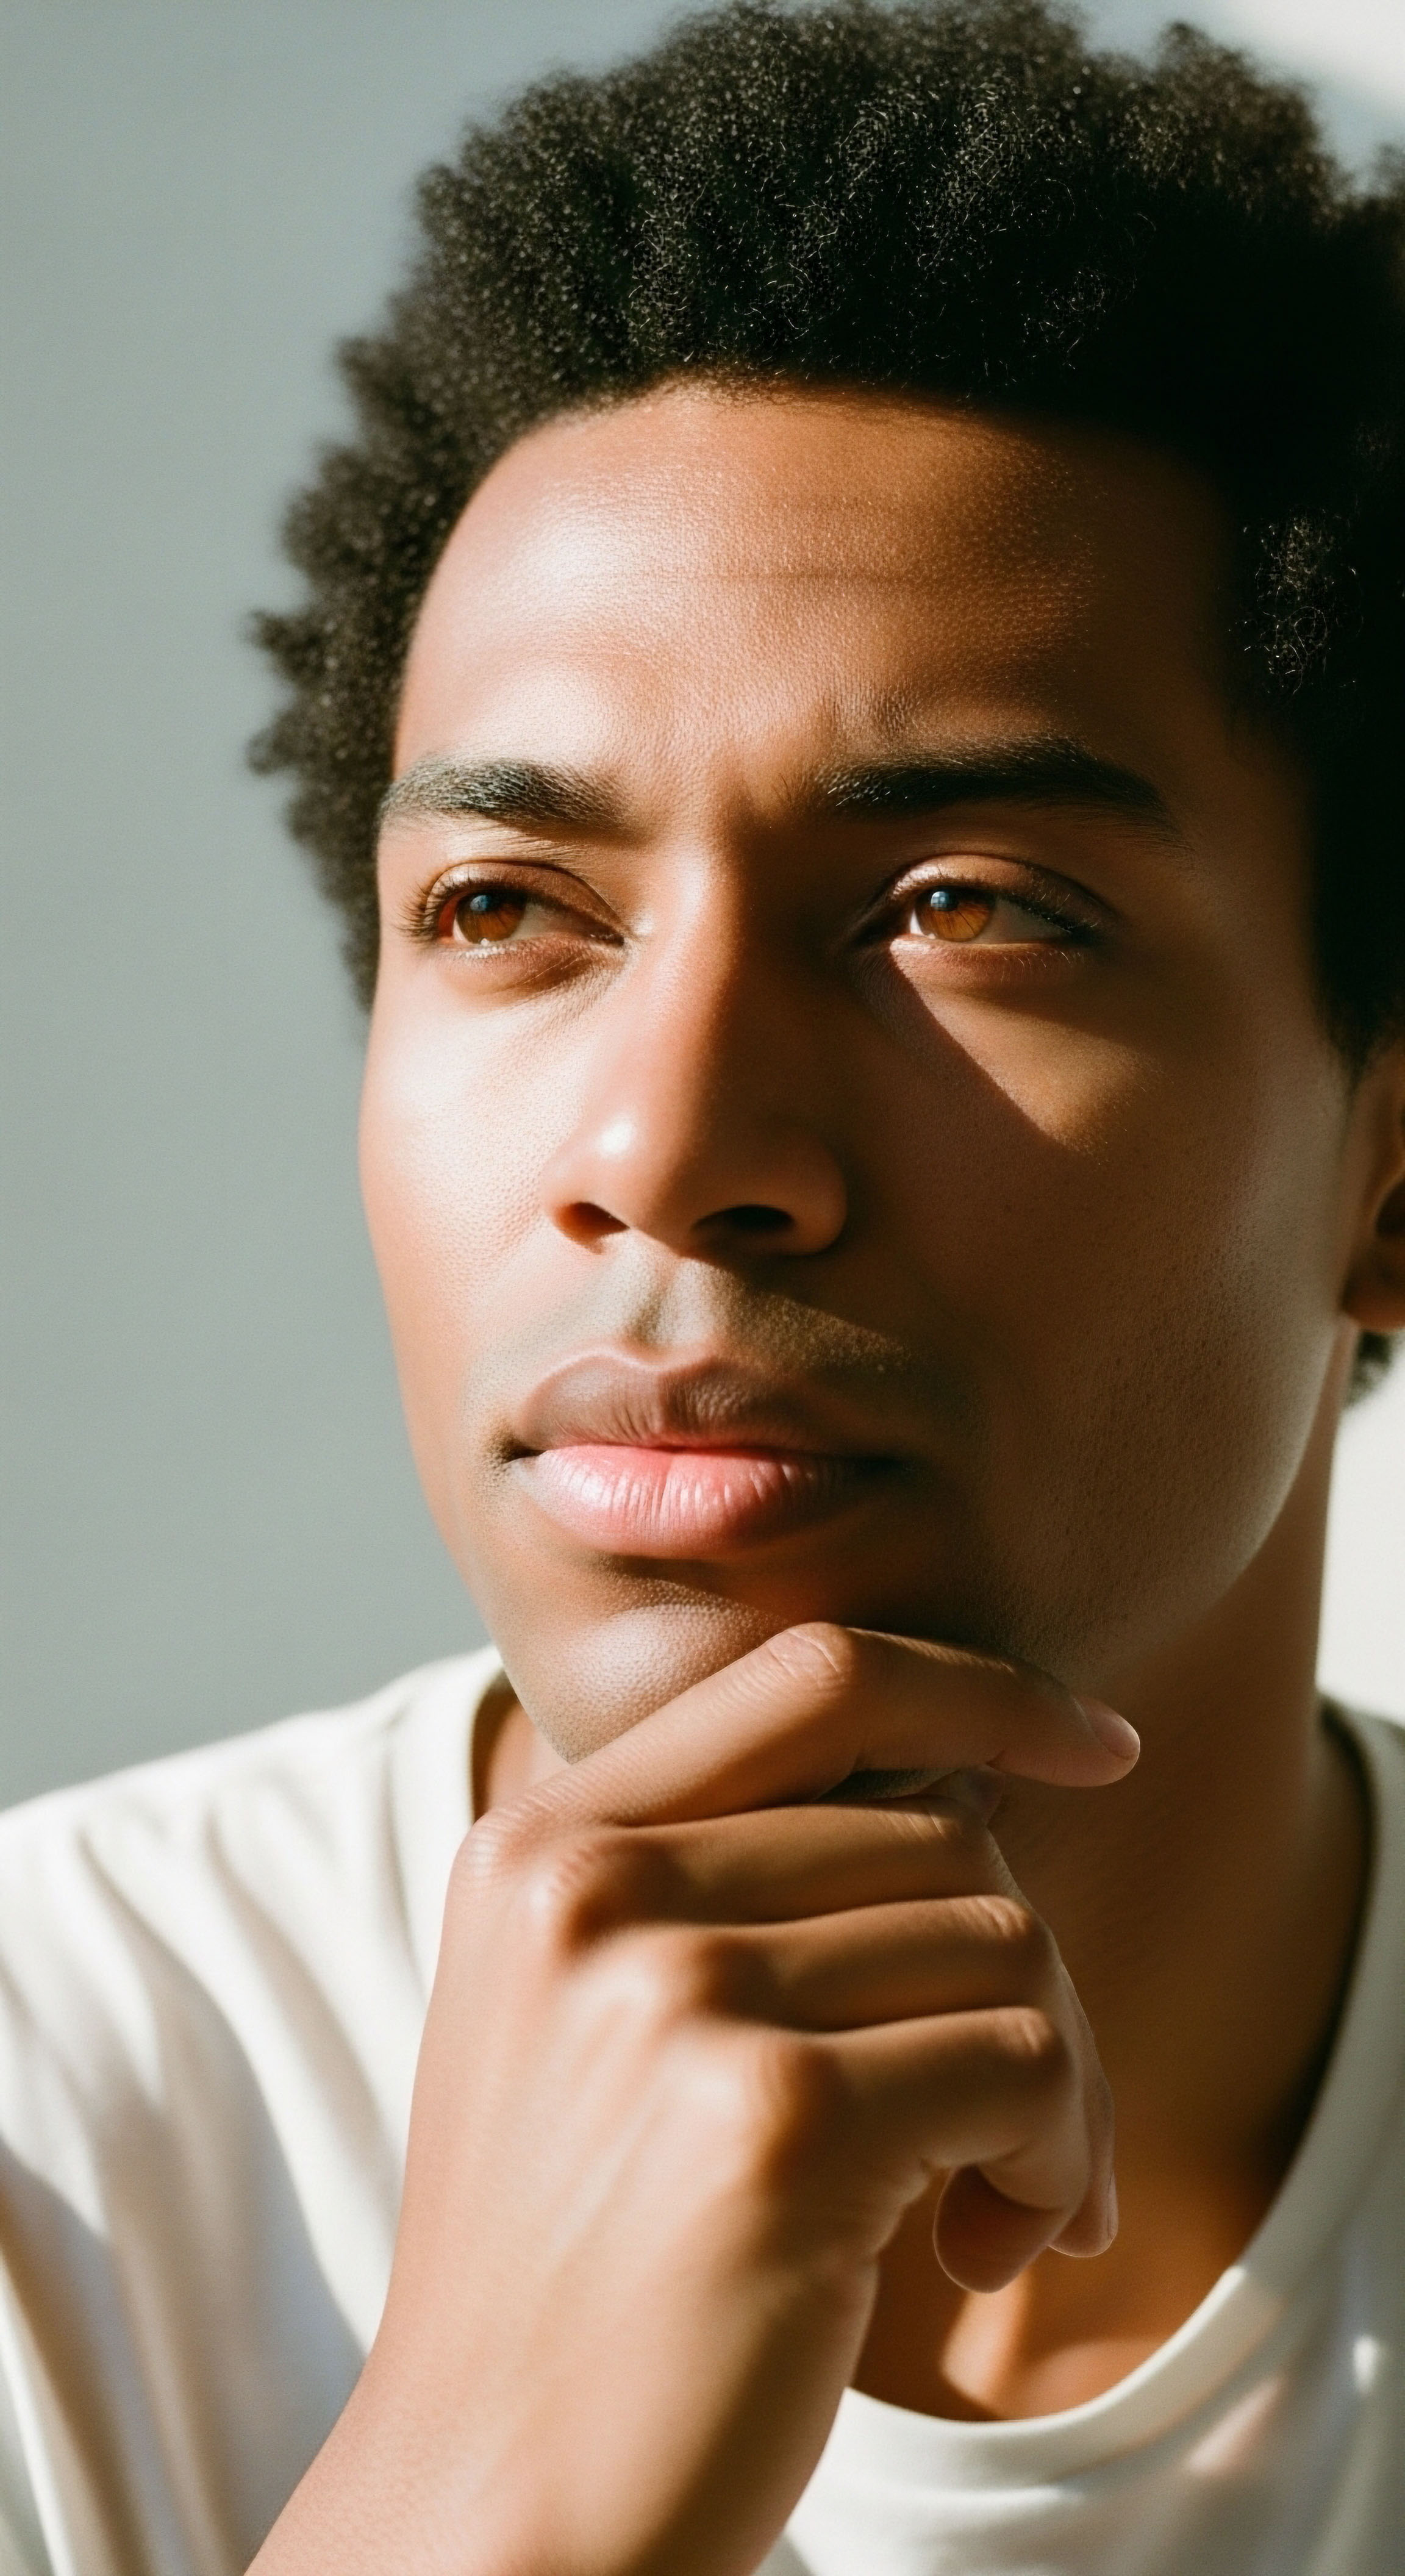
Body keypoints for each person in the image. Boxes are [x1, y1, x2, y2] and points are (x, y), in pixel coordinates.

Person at [2, 1, 1404, 2568]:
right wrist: (478, 2497)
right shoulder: (52, 2123)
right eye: (507, 910)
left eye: (966, 906)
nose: (664, 1153)